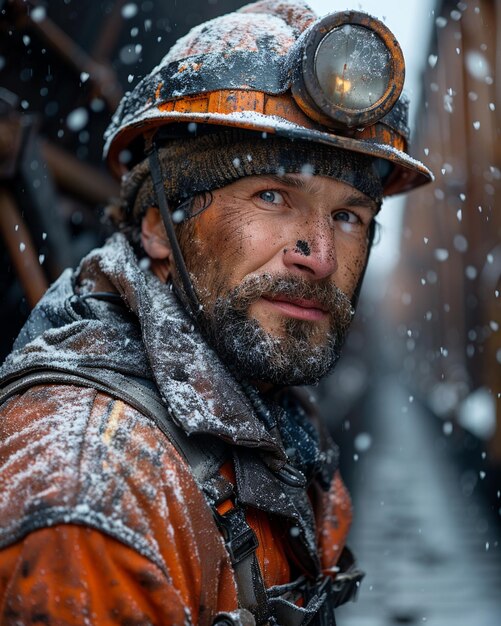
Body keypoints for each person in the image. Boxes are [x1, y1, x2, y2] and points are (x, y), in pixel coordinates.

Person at [0, 1, 432, 624]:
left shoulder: (271, 426)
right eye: (272, 196)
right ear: (156, 225)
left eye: (347, 215)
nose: (319, 254)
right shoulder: (97, 498)